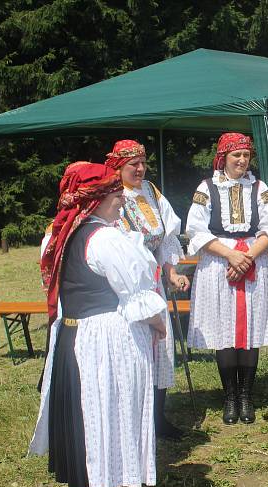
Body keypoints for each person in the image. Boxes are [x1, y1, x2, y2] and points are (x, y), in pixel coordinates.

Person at [31, 162, 166, 487]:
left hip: (77, 338)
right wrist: (158, 324)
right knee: (116, 423)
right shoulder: (105, 239)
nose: (122, 196)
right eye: (114, 192)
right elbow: (138, 294)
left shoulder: (67, 234)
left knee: (96, 425)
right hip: (106, 341)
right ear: (97, 199)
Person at [185, 132, 268, 425]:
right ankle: (230, 396)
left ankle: (247, 395)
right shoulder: (207, 187)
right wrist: (230, 254)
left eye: (246, 155)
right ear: (223, 157)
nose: (242, 160)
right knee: (224, 330)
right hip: (218, 264)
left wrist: (246, 256)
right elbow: (195, 230)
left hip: (253, 259)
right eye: (236, 155)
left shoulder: (259, 188)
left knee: (249, 330)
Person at [105, 140, 190, 442]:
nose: (140, 169)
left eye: (142, 163)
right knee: (138, 348)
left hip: (154, 283)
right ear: (118, 168)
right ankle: (134, 417)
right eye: (133, 165)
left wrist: (171, 272)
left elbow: (166, 237)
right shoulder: (110, 198)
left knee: (161, 348)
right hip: (129, 288)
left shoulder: (151, 192)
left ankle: (158, 417)